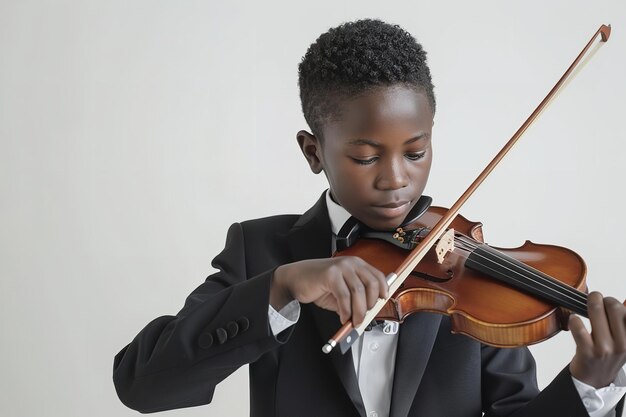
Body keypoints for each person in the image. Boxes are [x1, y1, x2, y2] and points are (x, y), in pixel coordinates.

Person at [112, 19, 626, 417]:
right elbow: (142, 384)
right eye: (365, 158)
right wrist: (284, 286)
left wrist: (589, 384)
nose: (396, 179)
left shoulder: (476, 274)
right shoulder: (262, 251)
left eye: (417, 152)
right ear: (314, 152)